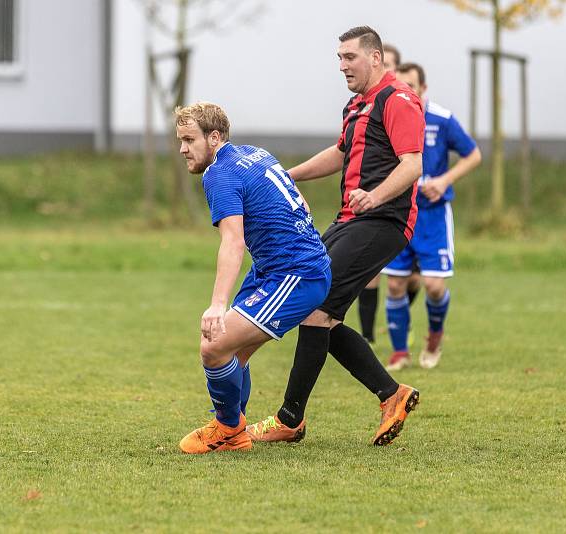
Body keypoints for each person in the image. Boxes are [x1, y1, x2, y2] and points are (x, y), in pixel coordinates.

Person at [247, 26, 423, 447]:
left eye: (350, 57)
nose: (342, 65)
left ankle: (290, 419)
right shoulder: (356, 105)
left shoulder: (398, 100)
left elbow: (412, 164)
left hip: (382, 221)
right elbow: (340, 153)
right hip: (350, 220)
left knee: (316, 312)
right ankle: (391, 394)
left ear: (375, 58)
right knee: (317, 310)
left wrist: (374, 197)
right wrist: (288, 176)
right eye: (339, 58)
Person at [174, 102, 332, 454]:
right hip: (283, 267)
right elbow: (302, 204)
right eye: (180, 141)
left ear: (213, 138)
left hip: (295, 274)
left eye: (188, 140)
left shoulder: (219, 174)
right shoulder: (255, 154)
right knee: (233, 354)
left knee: (213, 346)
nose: (183, 149)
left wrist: (217, 304)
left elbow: (233, 241)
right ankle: (233, 426)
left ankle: (229, 430)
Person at [383, 63, 482, 370]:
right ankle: (400, 351)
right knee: (396, 285)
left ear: (423, 88)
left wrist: (444, 181)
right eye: (401, 85)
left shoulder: (441, 119)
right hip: (399, 212)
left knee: (435, 285)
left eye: (412, 85)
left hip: (433, 217)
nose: (407, 91)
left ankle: (435, 336)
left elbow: (474, 154)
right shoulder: (388, 116)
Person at [358, 42, 422, 344]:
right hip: (370, 207)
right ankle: (369, 335)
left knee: (417, 280)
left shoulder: (403, 102)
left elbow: (413, 163)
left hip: (405, 209)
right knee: (379, 278)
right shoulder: (364, 106)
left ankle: (401, 320)